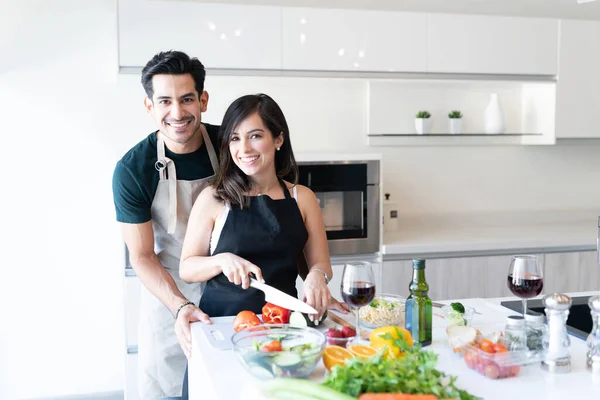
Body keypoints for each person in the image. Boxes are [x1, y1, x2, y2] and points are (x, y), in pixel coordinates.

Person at [112, 50, 218, 400]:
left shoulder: (231, 146)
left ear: (203, 99)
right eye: (165, 101)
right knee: (169, 391)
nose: (177, 113)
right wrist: (180, 305)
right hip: (169, 297)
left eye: (187, 99)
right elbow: (142, 256)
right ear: (149, 106)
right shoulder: (132, 169)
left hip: (231, 291)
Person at [179, 93, 337, 323]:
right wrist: (221, 260)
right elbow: (187, 269)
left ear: (278, 139)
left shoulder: (302, 198)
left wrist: (317, 275)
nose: (244, 149)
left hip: (282, 323)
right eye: (234, 138)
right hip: (222, 323)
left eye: (255, 136)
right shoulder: (213, 198)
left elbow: (320, 263)